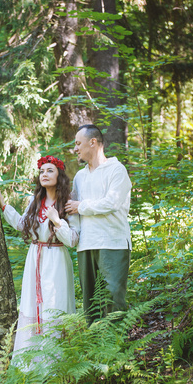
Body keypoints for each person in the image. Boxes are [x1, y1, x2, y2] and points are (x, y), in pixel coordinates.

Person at [0, 155, 79, 358]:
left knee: (55, 305)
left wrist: (58, 221)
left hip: (57, 261)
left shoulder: (68, 203)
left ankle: (56, 365)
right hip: (35, 258)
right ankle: (32, 364)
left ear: (59, 175)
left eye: (50, 170)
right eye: (42, 171)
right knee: (33, 306)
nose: (44, 174)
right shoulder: (35, 201)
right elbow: (21, 224)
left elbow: (73, 239)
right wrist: (4, 207)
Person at [65, 124, 132, 324]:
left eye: (78, 143)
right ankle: (95, 350)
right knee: (90, 302)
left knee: (112, 299)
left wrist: (81, 206)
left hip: (113, 242)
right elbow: (72, 209)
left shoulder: (116, 170)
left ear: (93, 142)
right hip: (85, 244)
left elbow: (111, 203)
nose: (75, 149)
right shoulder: (79, 176)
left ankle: (115, 349)